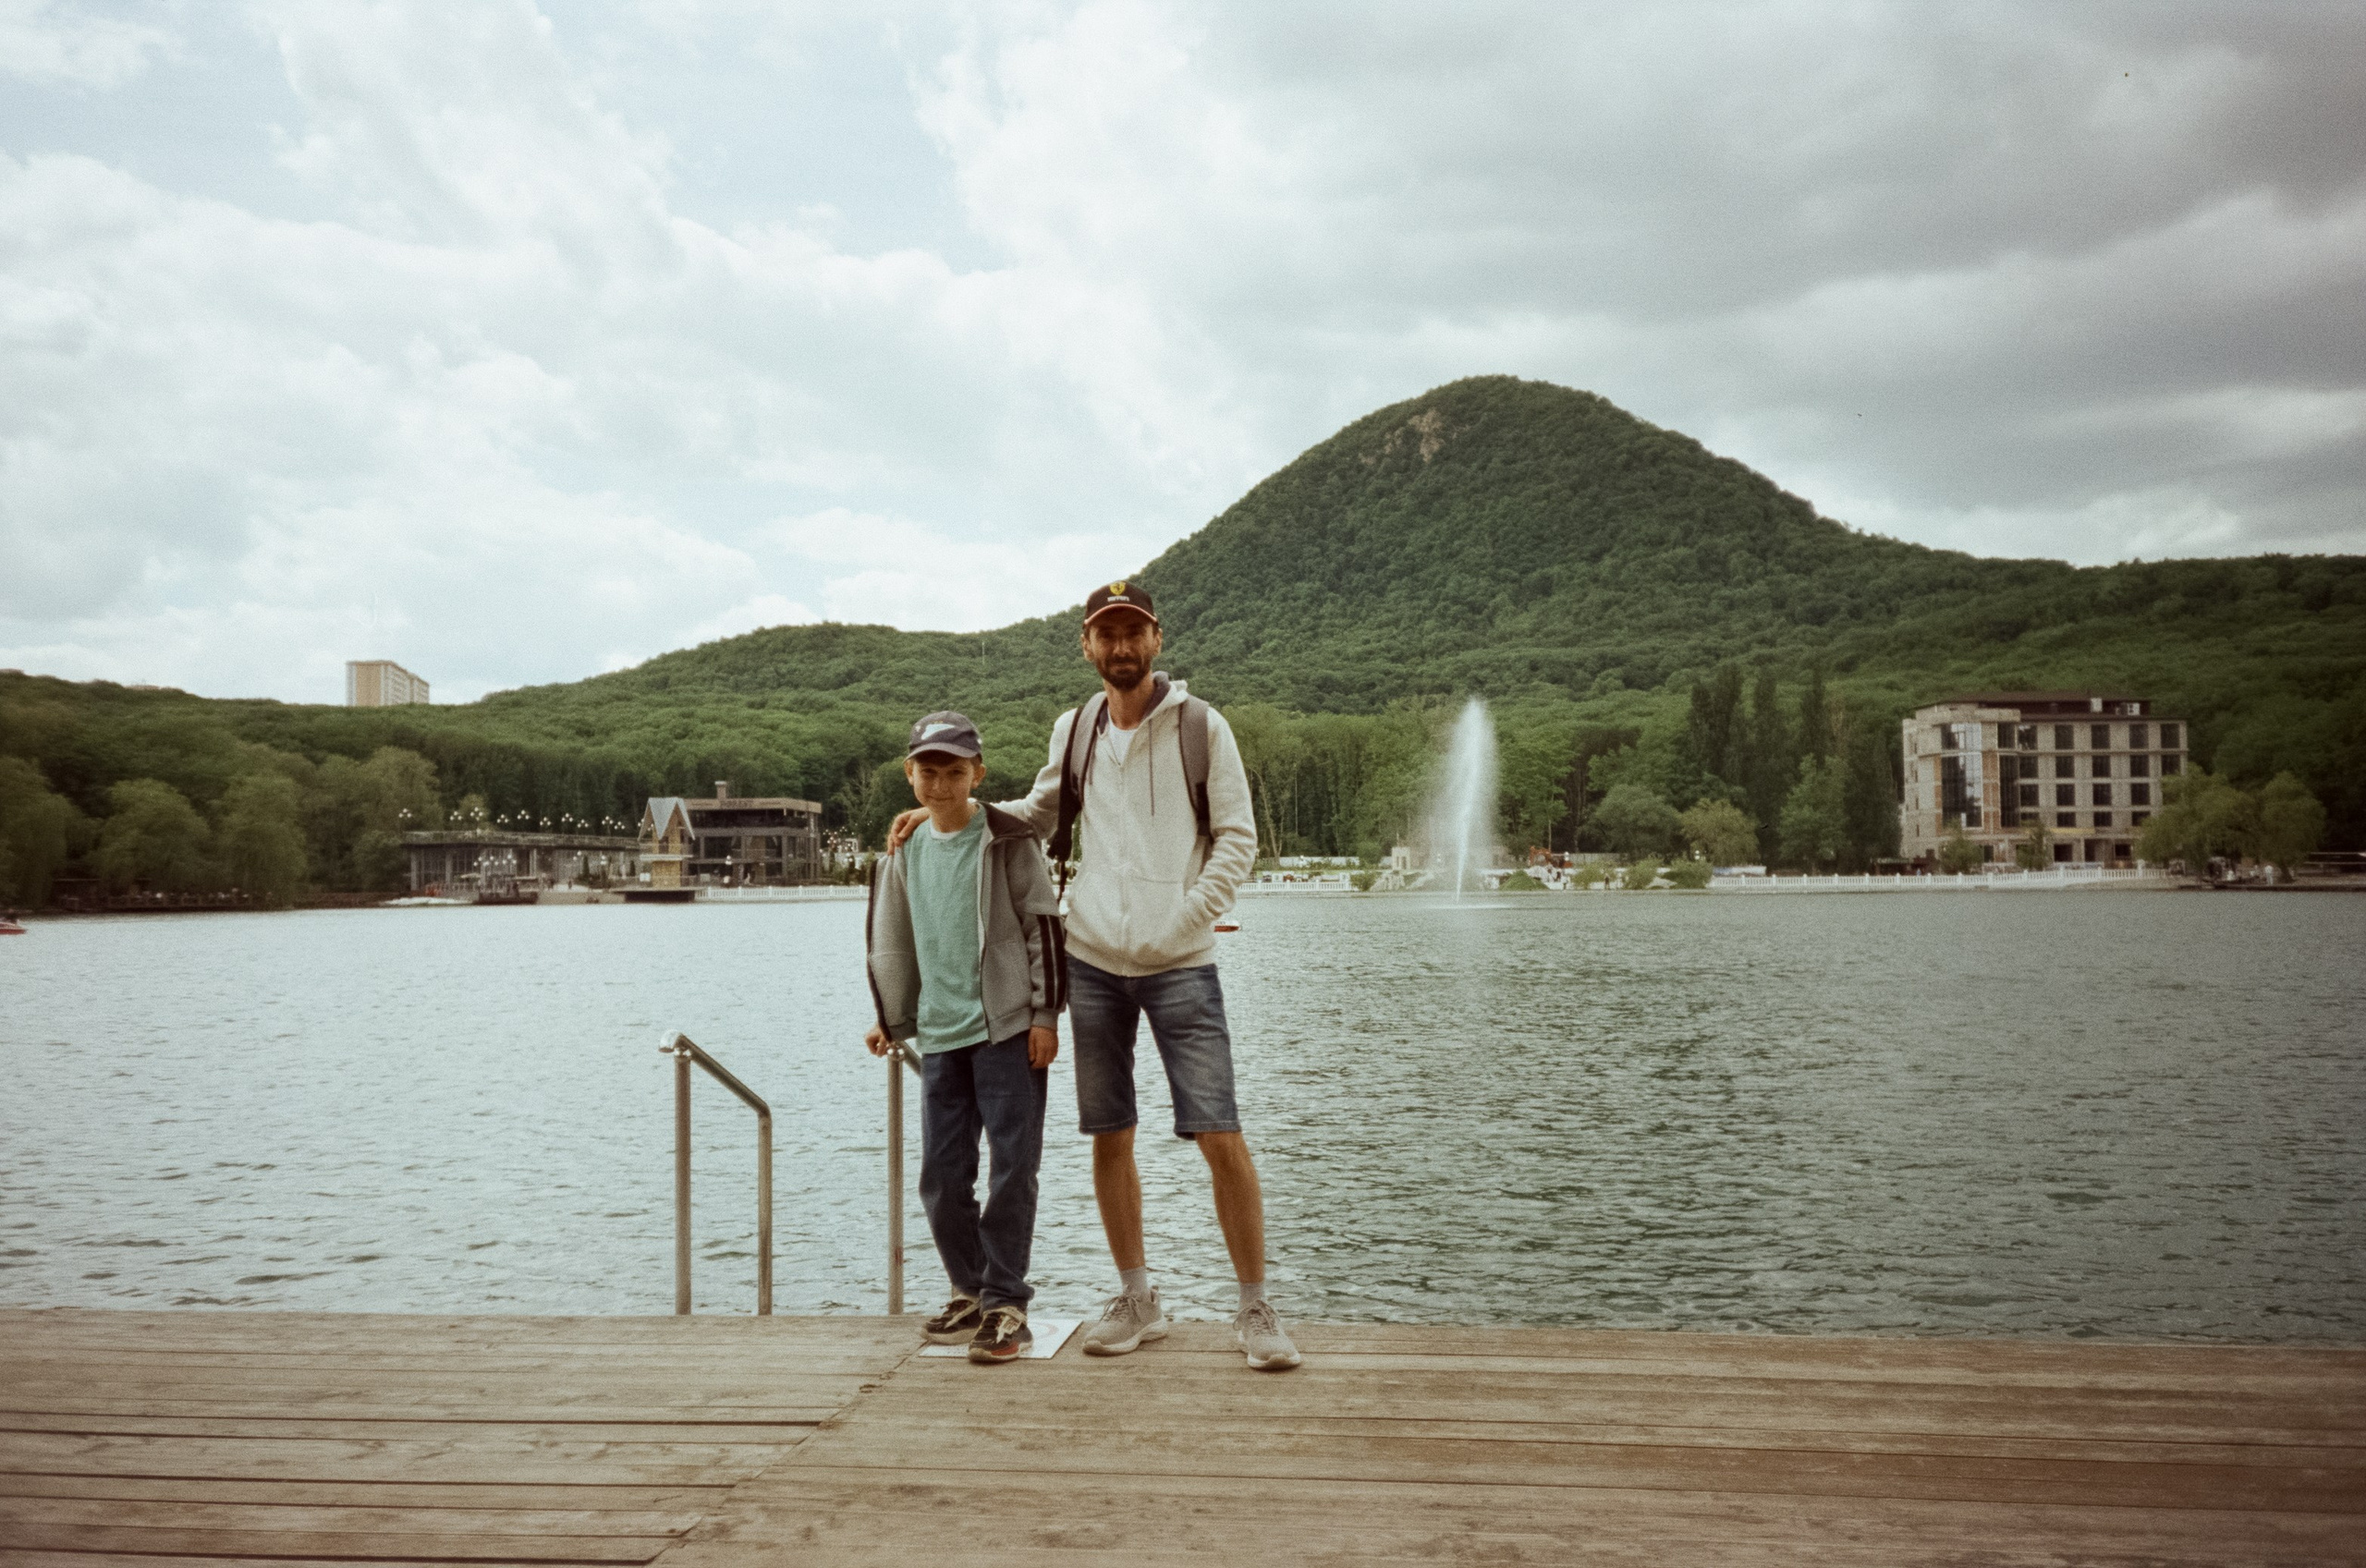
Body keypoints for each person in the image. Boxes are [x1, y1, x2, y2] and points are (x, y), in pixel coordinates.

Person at [889, 581, 1299, 1370]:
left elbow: (1237, 841)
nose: (1120, 646)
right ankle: (1138, 1297)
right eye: (1105, 634)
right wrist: (953, 812)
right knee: (1109, 1134)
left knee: (1219, 1131)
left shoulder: (1201, 727)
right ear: (1087, 645)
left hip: (1181, 962)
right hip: (1095, 966)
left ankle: (1254, 1306)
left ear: (1156, 639)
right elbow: (1039, 813)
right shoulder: (1074, 729)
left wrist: (1184, 919)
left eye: (1133, 632)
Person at [864, 711, 1066, 1364]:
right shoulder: (902, 851)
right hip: (942, 1037)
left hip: (1007, 1030)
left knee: (1013, 1170)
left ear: (977, 773)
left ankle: (1008, 1303)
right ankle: (971, 1288)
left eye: (955, 771)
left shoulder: (1006, 838)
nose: (941, 783)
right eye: (929, 770)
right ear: (910, 774)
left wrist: (1044, 1016)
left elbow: (1043, 929)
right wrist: (892, 1017)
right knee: (943, 1176)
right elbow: (897, 940)